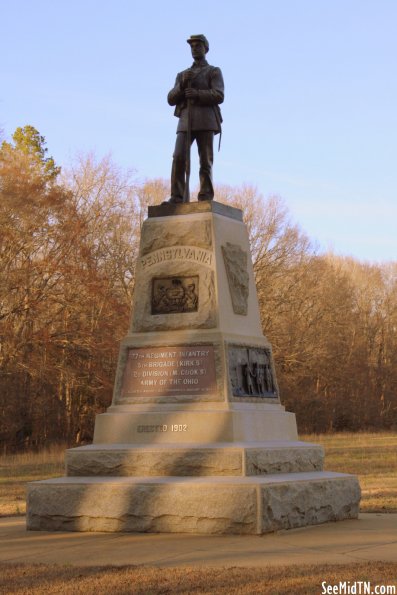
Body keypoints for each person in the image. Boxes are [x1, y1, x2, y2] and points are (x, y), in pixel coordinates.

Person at [167, 34, 224, 203]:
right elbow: (170, 99)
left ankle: (205, 196)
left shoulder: (213, 71)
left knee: (205, 160)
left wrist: (198, 94)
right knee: (178, 157)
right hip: (186, 120)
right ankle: (177, 196)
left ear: (205, 48)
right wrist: (183, 85)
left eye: (198, 46)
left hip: (206, 119)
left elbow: (219, 94)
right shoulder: (183, 75)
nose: (194, 49)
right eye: (192, 46)